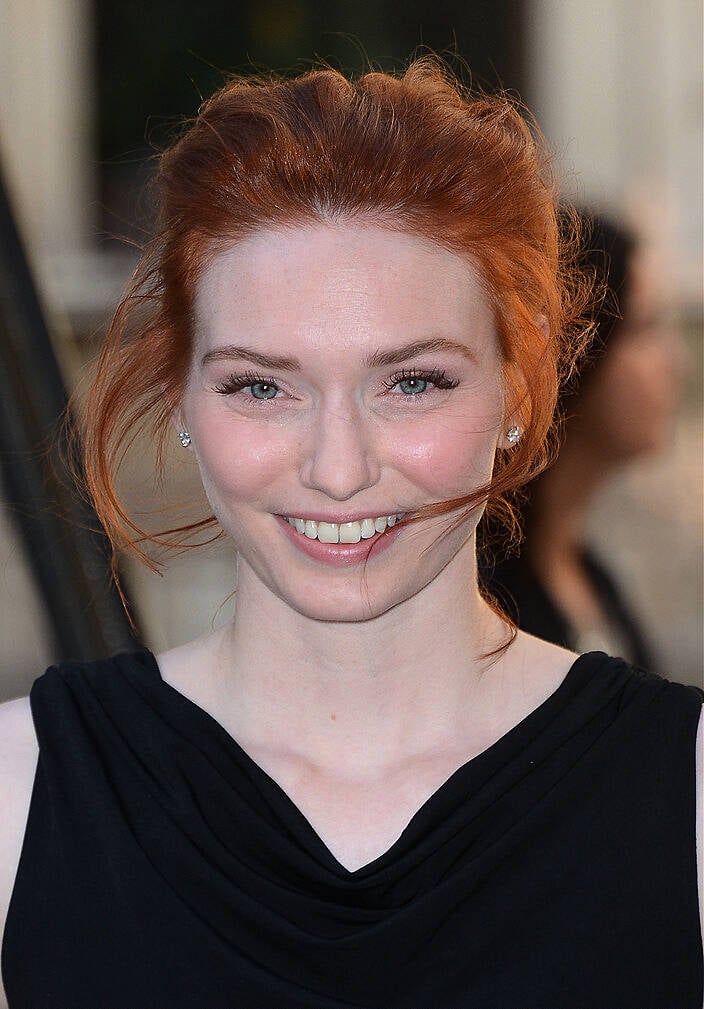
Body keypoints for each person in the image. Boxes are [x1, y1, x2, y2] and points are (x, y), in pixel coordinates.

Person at [0, 60, 701, 1009]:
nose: (337, 467)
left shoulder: (685, 798)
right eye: (261, 385)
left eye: (411, 382)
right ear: (180, 395)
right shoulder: (18, 794)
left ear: (523, 385)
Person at [480, 212, 683, 670]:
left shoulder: (594, 576)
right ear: (575, 350)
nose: (676, 361)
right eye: (646, 329)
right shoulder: (487, 594)